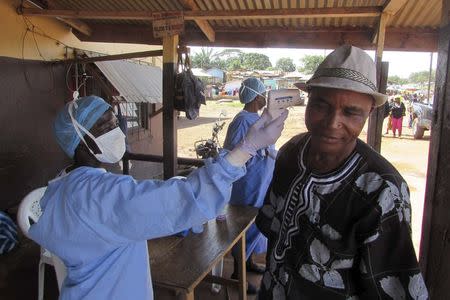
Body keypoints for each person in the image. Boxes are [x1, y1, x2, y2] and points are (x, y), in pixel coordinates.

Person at [28, 95, 288, 300]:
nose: (115, 129)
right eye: (103, 125)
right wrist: (246, 149)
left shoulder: (66, 183)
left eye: (113, 121)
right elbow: (182, 201)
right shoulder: (97, 194)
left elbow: (129, 204)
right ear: (81, 139)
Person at [256, 45, 428, 299]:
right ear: (308, 100)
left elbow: (392, 287)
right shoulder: (291, 152)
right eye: (321, 105)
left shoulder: (383, 191)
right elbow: (273, 231)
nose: (332, 122)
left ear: (370, 112)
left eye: (350, 112)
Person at [223, 77, 276, 294]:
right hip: (248, 183)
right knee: (244, 226)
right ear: (257, 96)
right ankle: (239, 274)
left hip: (259, 181)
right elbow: (235, 152)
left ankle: (248, 262)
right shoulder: (244, 120)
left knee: (257, 223)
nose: (266, 97)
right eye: (264, 93)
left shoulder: (256, 118)